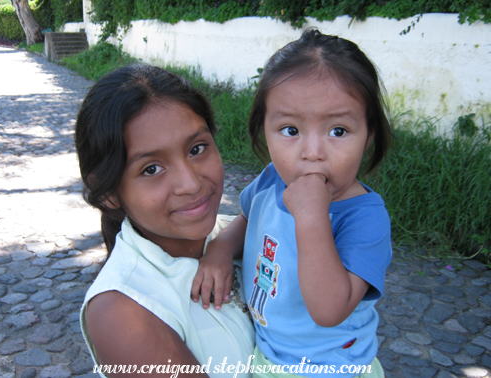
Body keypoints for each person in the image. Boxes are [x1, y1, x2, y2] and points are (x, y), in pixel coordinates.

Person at [192, 29, 393, 377]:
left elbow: (330, 309)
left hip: (330, 368)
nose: (312, 153)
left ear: (368, 135)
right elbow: (246, 217)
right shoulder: (272, 179)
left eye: (339, 131)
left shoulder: (365, 218)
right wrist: (220, 251)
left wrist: (312, 217)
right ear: (264, 131)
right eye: (290, 130)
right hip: (267, 354)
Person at [75, 64, 254, 377]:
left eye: (197, 149)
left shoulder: (240, 232)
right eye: (151, 169)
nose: (191, 184)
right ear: (108, 194)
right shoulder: (124, 311)